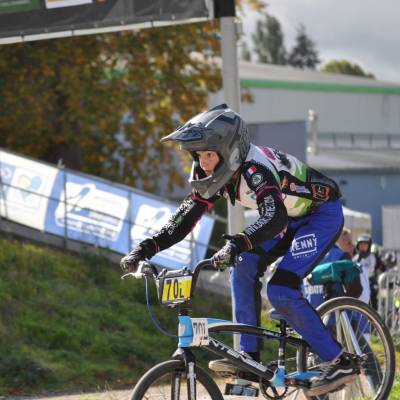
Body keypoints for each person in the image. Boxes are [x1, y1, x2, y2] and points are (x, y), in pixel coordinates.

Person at [120, 104, 359, 396]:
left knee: (281, 291)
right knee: (242, 264)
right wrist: (145, 249)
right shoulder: (217, 173)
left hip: (320, 215)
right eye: (198, 155)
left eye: (209, 154)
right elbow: (183, 220)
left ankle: (339, 360)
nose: (203, 163)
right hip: (288, 217)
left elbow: (274, 217)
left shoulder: (255, 170)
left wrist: (236, 243)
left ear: (229, 151)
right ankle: (250, 359)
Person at [303, 227, 361, 308]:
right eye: (349, 243)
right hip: (336, 313)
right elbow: (357, 290)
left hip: (310, 313)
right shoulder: (341, 256)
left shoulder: (303, 257)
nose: (353, 247)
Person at [354, 234, 376, 306]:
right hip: (357, 283)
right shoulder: (355, 258)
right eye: (361, 244)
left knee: (371, 301)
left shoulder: (371, 257)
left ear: (369, 246)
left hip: (369, 282)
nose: (363, 246)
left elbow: (370, 271)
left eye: (365, 244)